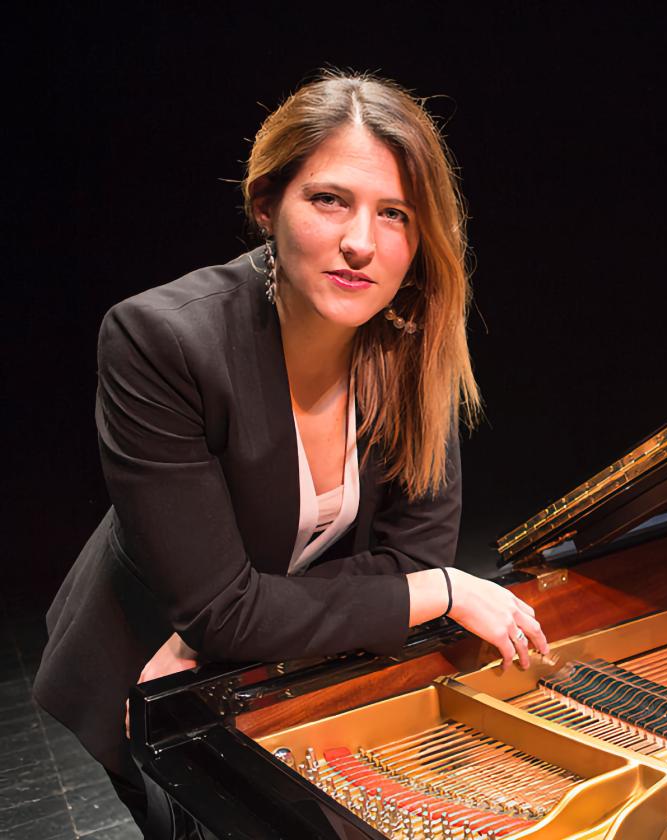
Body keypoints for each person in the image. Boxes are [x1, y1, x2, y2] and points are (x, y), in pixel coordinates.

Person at [33, 70, 548, 833]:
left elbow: (407, 557)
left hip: (278, 672)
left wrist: (249, 619)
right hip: (148, 682)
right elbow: (223, 607)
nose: (360, 243)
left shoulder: (417, 346)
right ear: (268, 202)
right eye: (329, 199)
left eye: (395, 213)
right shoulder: (162, 341)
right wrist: (445, 591)